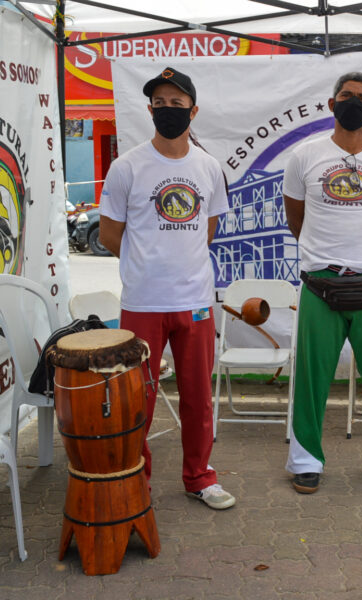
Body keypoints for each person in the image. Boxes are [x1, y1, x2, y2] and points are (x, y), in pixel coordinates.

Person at [97, 67, 235, 510]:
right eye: (160, 103)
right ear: (149, 109)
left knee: (198, 398)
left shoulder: (208, 167)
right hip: (143, 304)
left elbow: (206, 230)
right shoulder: (127, 166)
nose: (167, 110)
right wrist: (146, 265)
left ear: (193, 111)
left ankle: (200, 477)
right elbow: (108, 234)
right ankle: (136, 479)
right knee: (138, 400)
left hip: (194, 302)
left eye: (177, 104)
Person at [283, 72, 362, 495]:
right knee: (311, 378)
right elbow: (294, 219)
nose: (353, 102)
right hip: (320, 284)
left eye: (361, 97)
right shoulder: (304, 156)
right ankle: (305, 460)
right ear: (331, 103)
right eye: (345, 95)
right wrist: (325, 256)